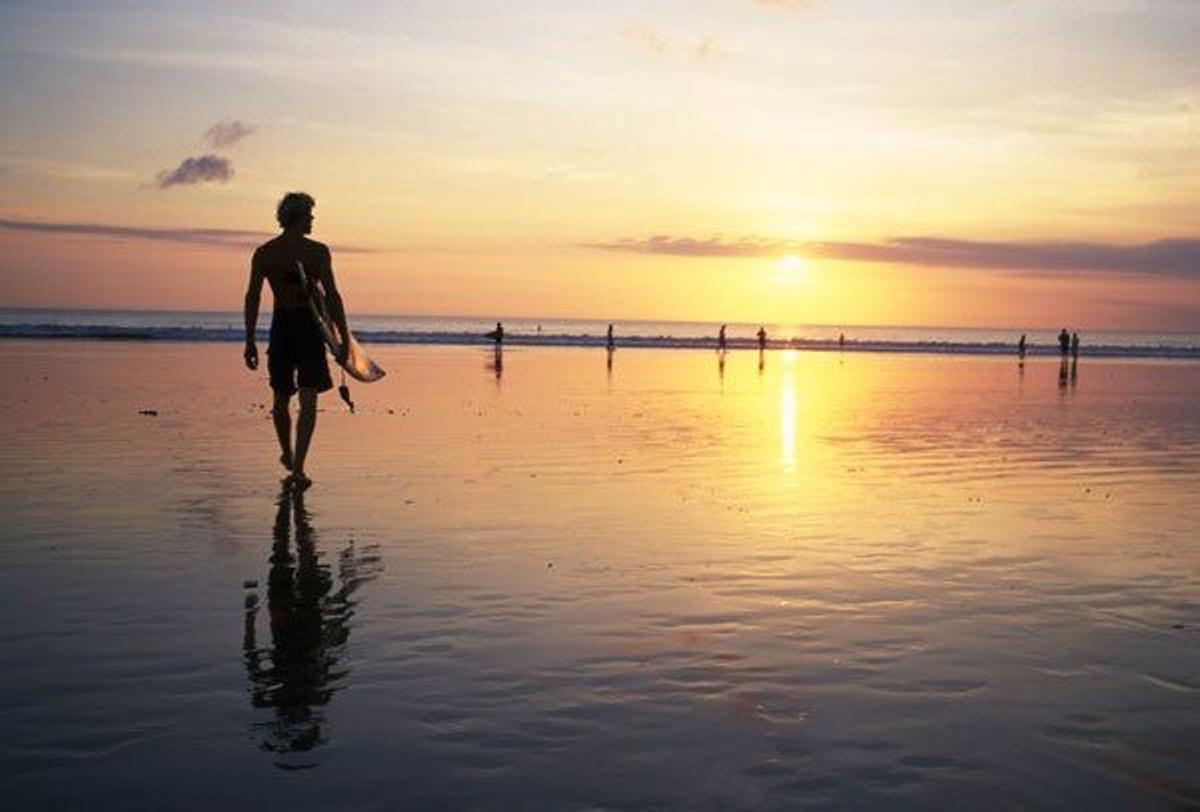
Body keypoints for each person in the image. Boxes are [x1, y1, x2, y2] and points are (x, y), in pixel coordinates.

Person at [243, 192, 348, 490]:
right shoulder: (318, 252)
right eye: (310, 215)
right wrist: (342, 340)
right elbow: (333, 296)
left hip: (282, 327)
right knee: (308, 398)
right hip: (308, 326)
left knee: (281, 396)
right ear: (298, 217)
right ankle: (298, 468)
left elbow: (253, 297)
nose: (312, 219)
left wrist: (249, 340)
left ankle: (289, 455)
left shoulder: (265, 253)